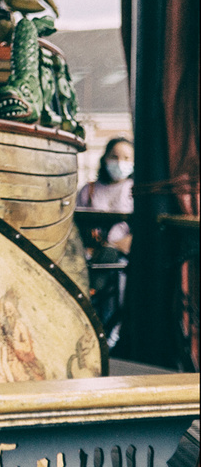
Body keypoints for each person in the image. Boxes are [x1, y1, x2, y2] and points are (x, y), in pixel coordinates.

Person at [77, 137, 133, 339]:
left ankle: (91, 296)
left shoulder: (134, 191)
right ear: (105, 158)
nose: (120, 162)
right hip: (91, 253)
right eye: (115, 156)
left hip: (121, 257)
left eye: (126, 157)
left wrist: (116, 244)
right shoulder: (88, 190)